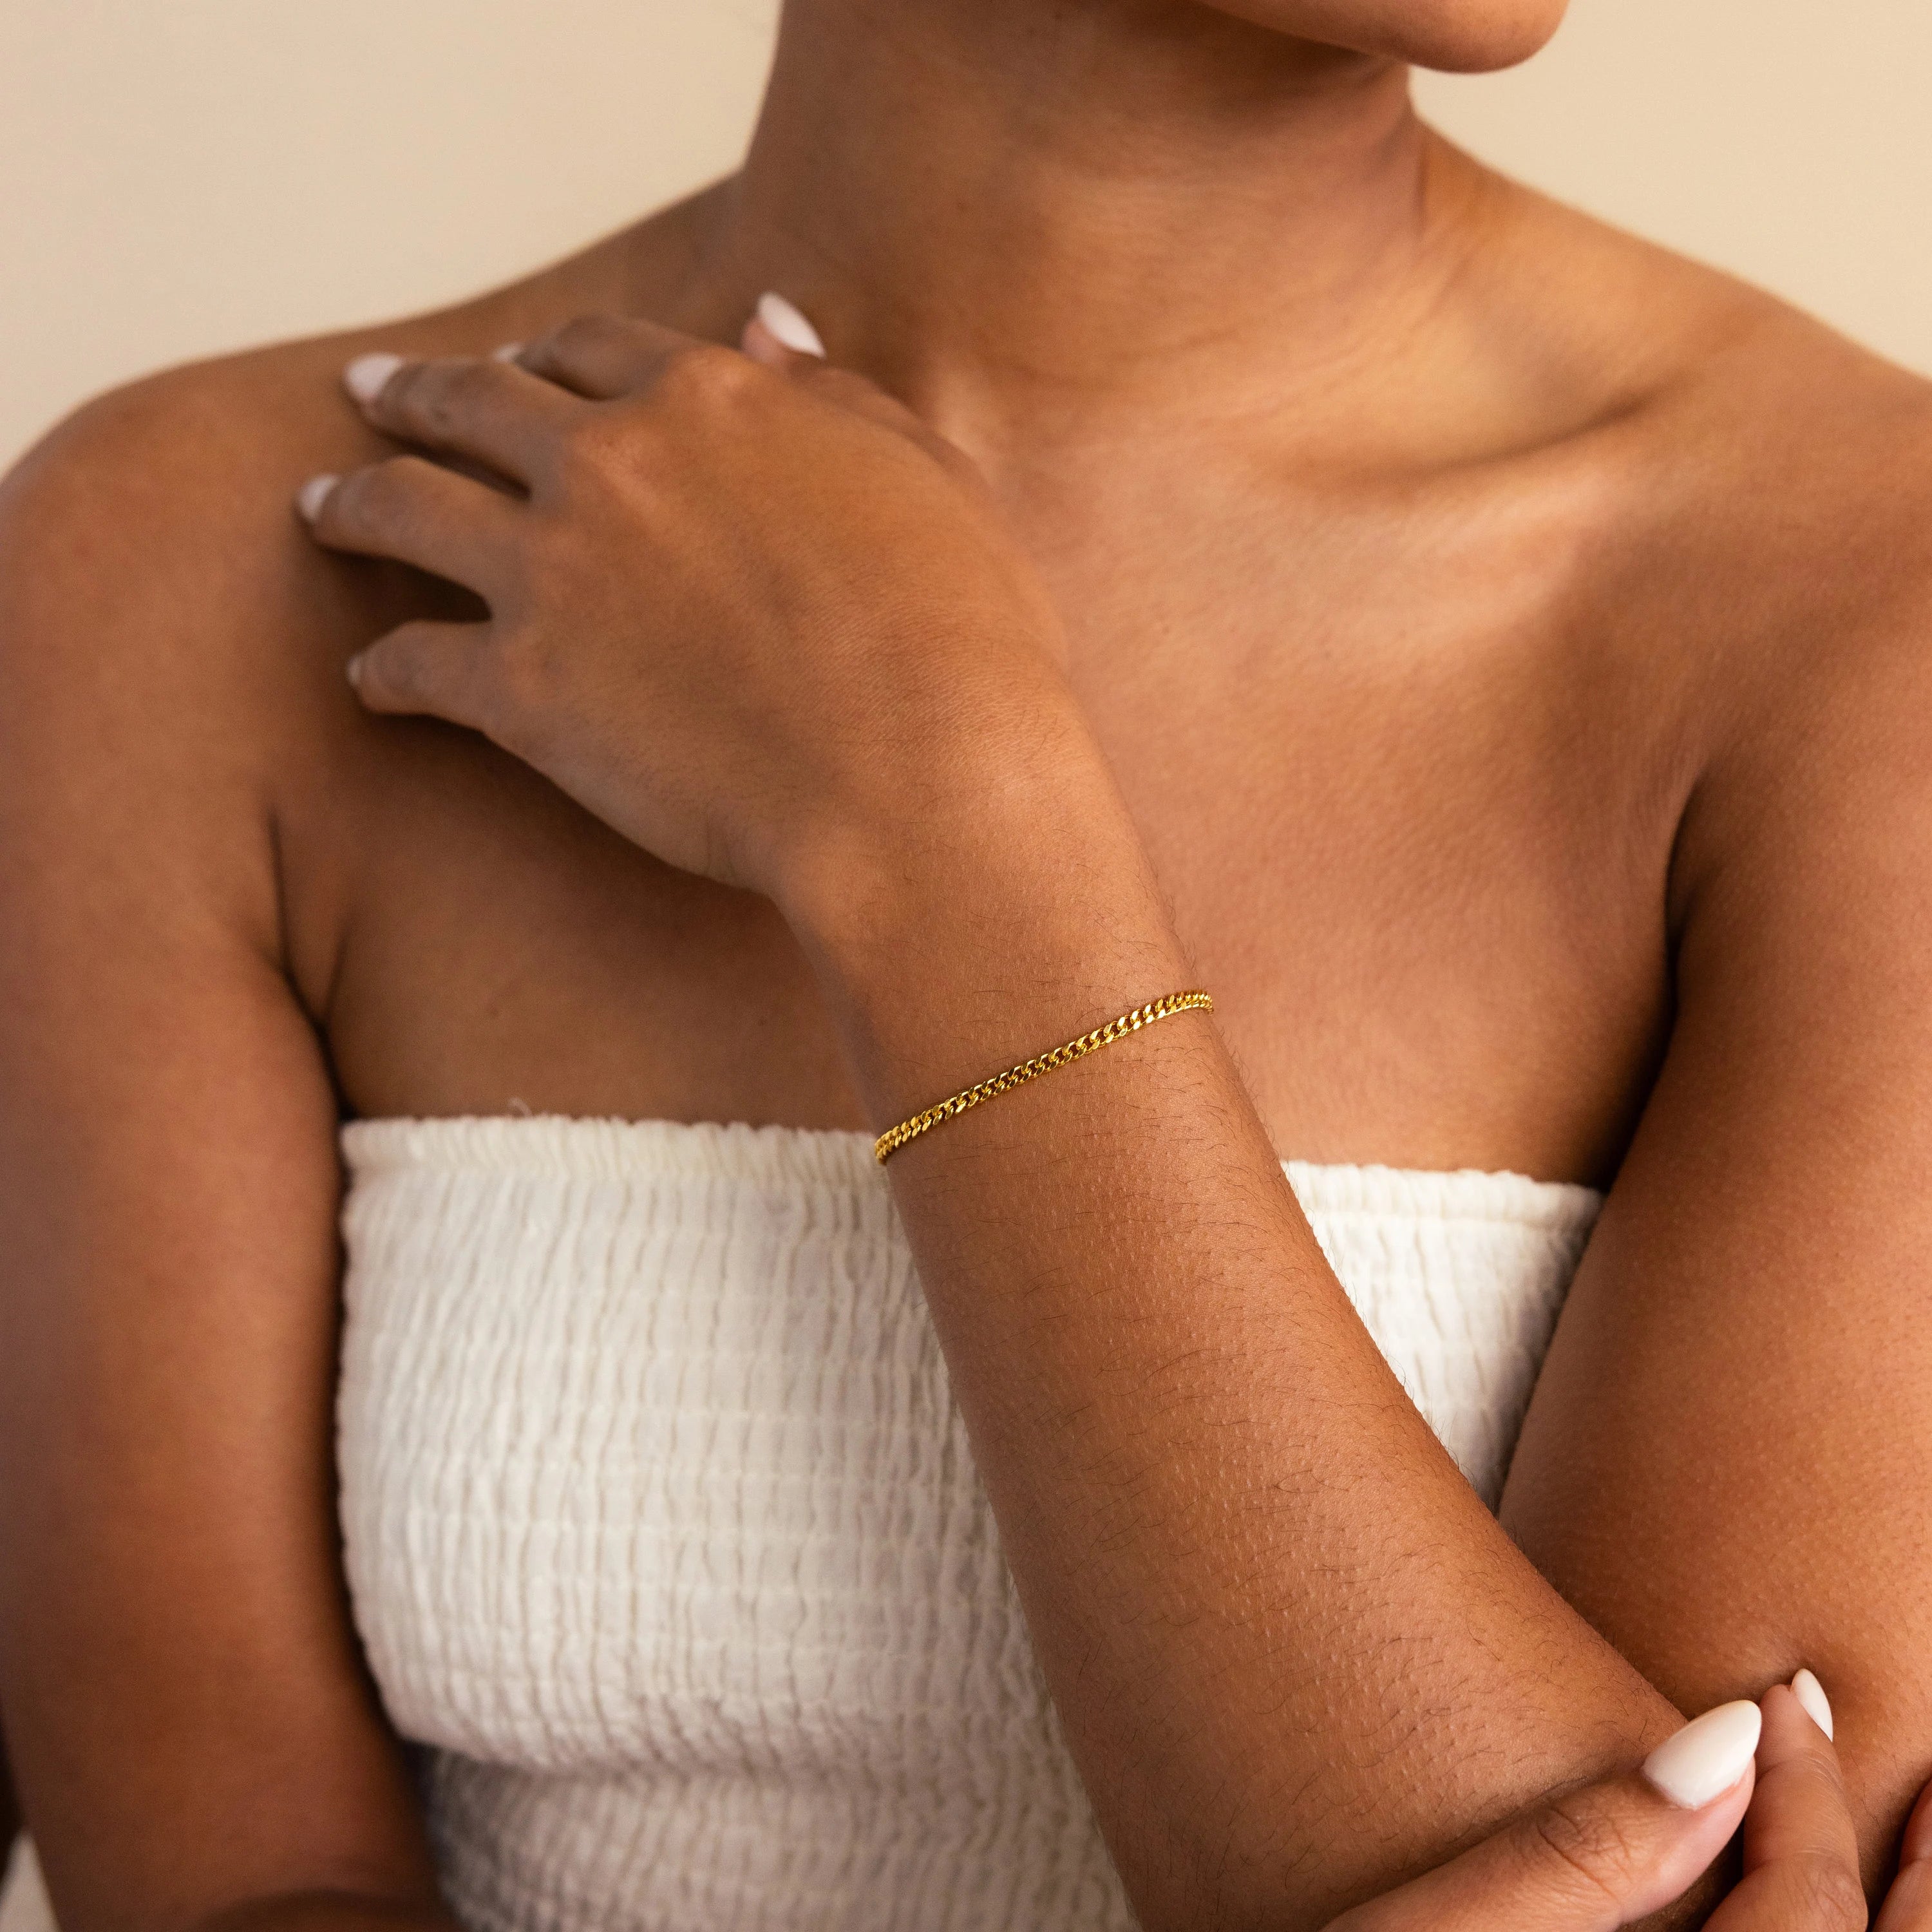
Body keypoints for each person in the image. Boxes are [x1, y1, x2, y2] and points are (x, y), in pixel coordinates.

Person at [2, 0, 1931, 1925]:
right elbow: (234, 1885)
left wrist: (948, 829)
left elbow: (1706, 1902)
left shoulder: (1863, 595)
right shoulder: (195, 573)